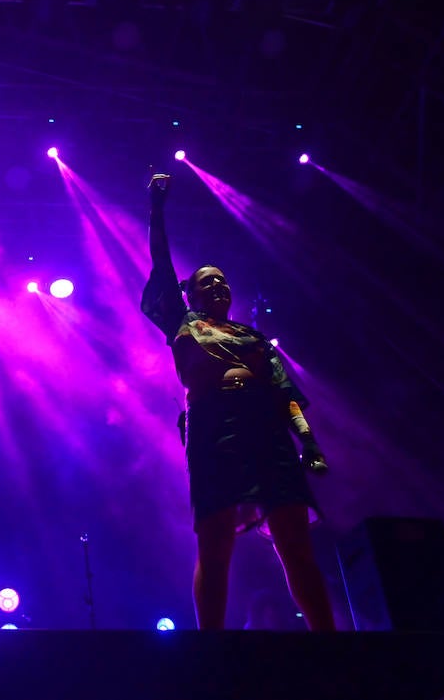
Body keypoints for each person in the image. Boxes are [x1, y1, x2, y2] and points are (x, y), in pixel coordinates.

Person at [139, 173, 334, 630]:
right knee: (215, 537)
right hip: (214, 429)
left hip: (267, 432)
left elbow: (285, 392)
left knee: (294, 539)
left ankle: (330, 641)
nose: (219, 287)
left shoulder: (253, 336)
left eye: (223, 281)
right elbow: (161, 263)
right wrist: (157, 209)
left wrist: (309, 442)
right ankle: (213, 646)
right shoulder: (182, 321)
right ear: (192, 292)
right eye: (208, 282)